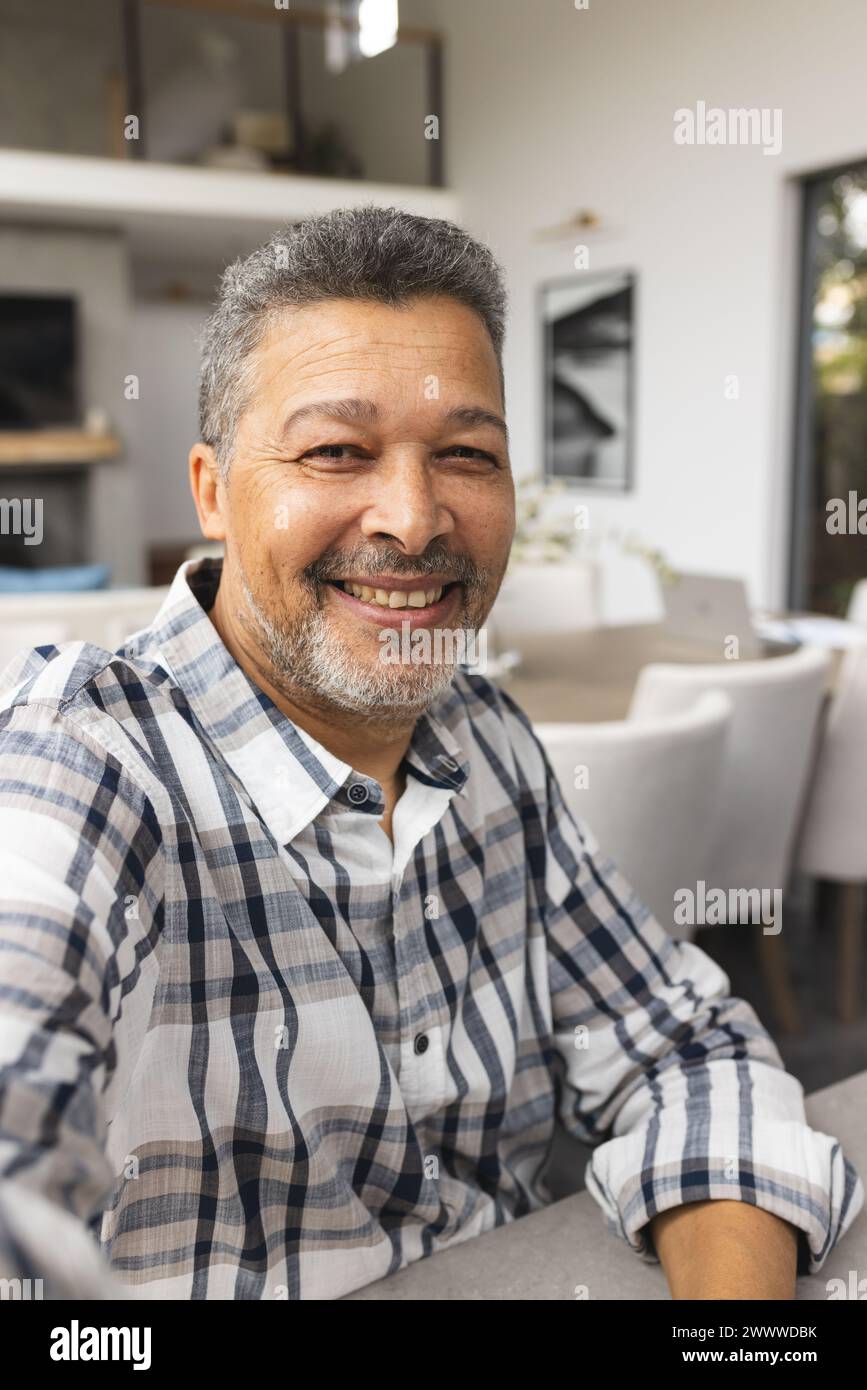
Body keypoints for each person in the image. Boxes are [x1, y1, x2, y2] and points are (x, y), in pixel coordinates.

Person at [0, 208, 860, 1300]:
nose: (413, 518)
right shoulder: (81, 762)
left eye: (465, 454)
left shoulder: (486, 736)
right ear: (212, 491)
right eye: (335, 451)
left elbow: (681, 1045)